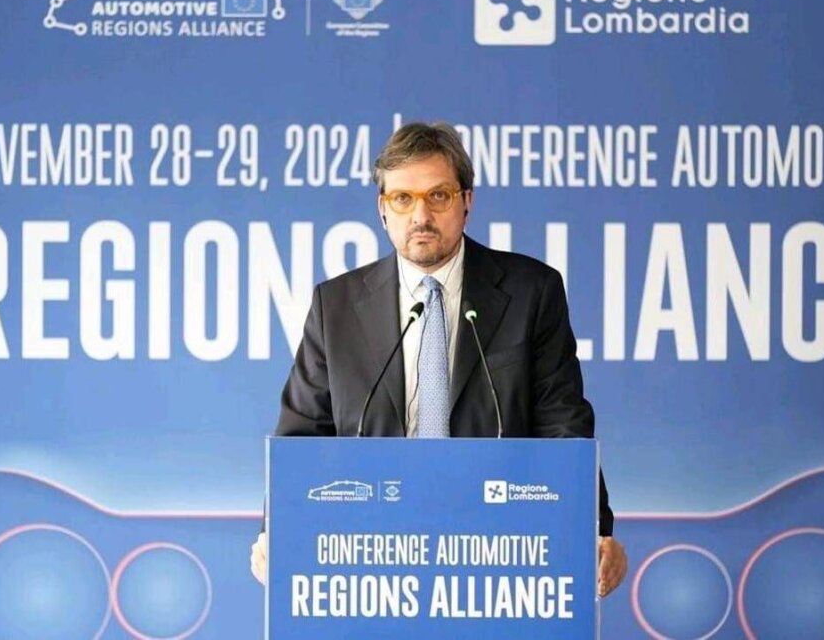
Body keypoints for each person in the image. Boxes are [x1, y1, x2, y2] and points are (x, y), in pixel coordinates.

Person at [251, 122, 627, 596]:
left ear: (467, 201)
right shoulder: (337, 306)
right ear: (382, 209)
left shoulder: (530, 292)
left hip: (498, 554)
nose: (420, 215)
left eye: (439, 196)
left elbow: (563, 424)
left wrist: (593, 530)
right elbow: (302, 437)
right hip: (372, 559)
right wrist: (277, 531)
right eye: (402, 199)